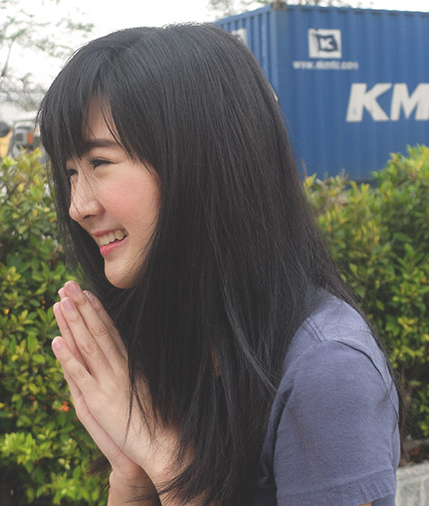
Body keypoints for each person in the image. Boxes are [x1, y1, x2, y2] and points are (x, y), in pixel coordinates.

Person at [39, 24, 400, 506]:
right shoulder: (182, 340)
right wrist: (131, 475)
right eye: (70, 172)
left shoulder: (327, 370)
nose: (77, 206)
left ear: (199, 158)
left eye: (99, 162)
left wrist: (170, 467)